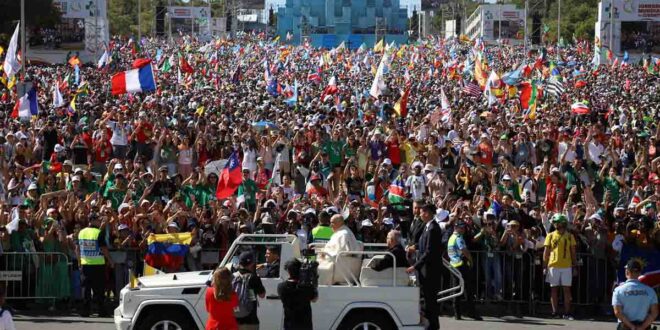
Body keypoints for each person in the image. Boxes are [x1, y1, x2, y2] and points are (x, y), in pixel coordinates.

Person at [406, 204, 443, 330]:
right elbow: (423, 245)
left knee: (430, 301)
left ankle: (433, 326)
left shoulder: (433, 228)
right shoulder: (427, 227)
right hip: (426, 270)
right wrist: (415, 247)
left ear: (428, 213)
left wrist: (415, 266)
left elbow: (429, 252)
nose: (420, 214)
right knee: (427, 300)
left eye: (422, 212)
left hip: (430, 271)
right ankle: (432, 325)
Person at [77, 213, 113, 317]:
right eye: (98, 219)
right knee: (99, 289)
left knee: (86, 289)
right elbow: (103, 248)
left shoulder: (81, 232)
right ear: (92, 220)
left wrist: (79, 261)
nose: (99, 221)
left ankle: (85, 311)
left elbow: (77, 248)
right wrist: (110, 260)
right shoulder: (98, 232)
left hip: (85, 265)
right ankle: (101, 311)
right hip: (98, 265)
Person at [543, 213, 577, 320]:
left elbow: (573, 252)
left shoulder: (570, 236)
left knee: (567, 290)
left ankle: (567, 313)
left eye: (557, 222)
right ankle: (555, 312)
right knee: (554, 289)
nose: (556, 224)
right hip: (553, 265)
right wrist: (545, 266)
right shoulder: (550, 235)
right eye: (555, 223)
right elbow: (546, 252)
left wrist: (574, 266)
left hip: (566, 266)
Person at [447, 220, 482, 321]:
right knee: (468, 290)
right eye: (461, 227)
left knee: (457, 290)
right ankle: (471, 312)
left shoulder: (451, 238)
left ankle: (457, 313)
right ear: (455, 228)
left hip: (454, 265)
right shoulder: (458, 238)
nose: (463, 229)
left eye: (464, 228)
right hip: (461, 266)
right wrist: (470, 259)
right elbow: (464, 250)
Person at [612, 259, 658, 330]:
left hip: (625, 327)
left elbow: (617, 312)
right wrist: (642, 327)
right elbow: (654, 312)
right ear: (640, 273)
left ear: (627, 272)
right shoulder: (650, 291)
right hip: (644, 327)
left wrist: (631, 326)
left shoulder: (618, 290)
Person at [318, 214, 361, 285]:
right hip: (338, 263)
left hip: (339, 267)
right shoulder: (341, 232)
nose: (330, 225)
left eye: (332, 223)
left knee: (315, 270)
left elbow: (343, 252)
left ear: (339, 223)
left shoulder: (343, 234)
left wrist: (325, 254)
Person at [277, 258, 319, 330]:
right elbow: (314, 299)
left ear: (288, 271)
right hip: (305, 325)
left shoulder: (281, 286)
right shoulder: (306, 287)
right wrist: (314, 284)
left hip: (289, 325)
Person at [233, 252, 266, 330]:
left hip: (235, 320)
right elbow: (262, 295)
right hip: (251, 320)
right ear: (251, 263)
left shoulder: (232, 276)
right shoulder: (254, 278)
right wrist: (251, 291)